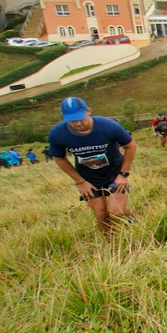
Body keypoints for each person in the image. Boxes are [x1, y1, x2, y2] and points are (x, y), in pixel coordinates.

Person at [48, 96, 137, 235]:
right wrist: (81, 182)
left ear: (88, 111)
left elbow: (130, 146)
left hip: (114, 173)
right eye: (72, 120)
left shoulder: (108, 126)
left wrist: (123, 174)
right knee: (101, 214)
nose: (77, 123)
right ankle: (110, 241)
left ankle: (133, 224)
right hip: (88, 178)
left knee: (117, 211)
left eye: (80, 118)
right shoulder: (57, 134)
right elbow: (59, 158)